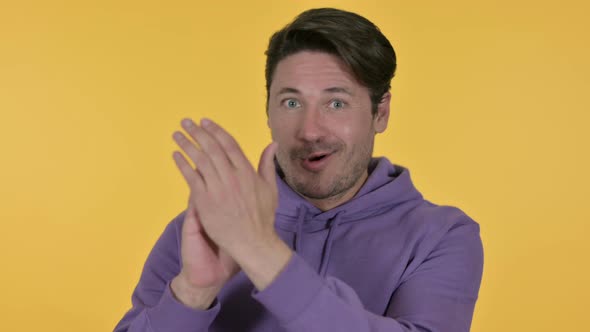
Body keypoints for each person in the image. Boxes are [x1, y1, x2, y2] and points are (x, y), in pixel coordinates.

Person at [114, 7, 484, 332]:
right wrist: (192, 293)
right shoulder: (199, 231)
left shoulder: (441, 236)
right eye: (291, 102)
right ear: (268, 110)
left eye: (336, 103)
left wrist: (262, 254)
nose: (309, 131)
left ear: (380, 112)